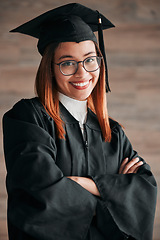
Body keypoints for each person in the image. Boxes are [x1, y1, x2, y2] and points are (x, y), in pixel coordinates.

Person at [3, 3, 157, 240]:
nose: (82, 73)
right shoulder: (28, 118)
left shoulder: (111, 132)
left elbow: (144, 189)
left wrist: (87, 185)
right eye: (67, 63)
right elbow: (41, 195)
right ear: (50, 69)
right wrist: (113, 196)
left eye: (89, 59)